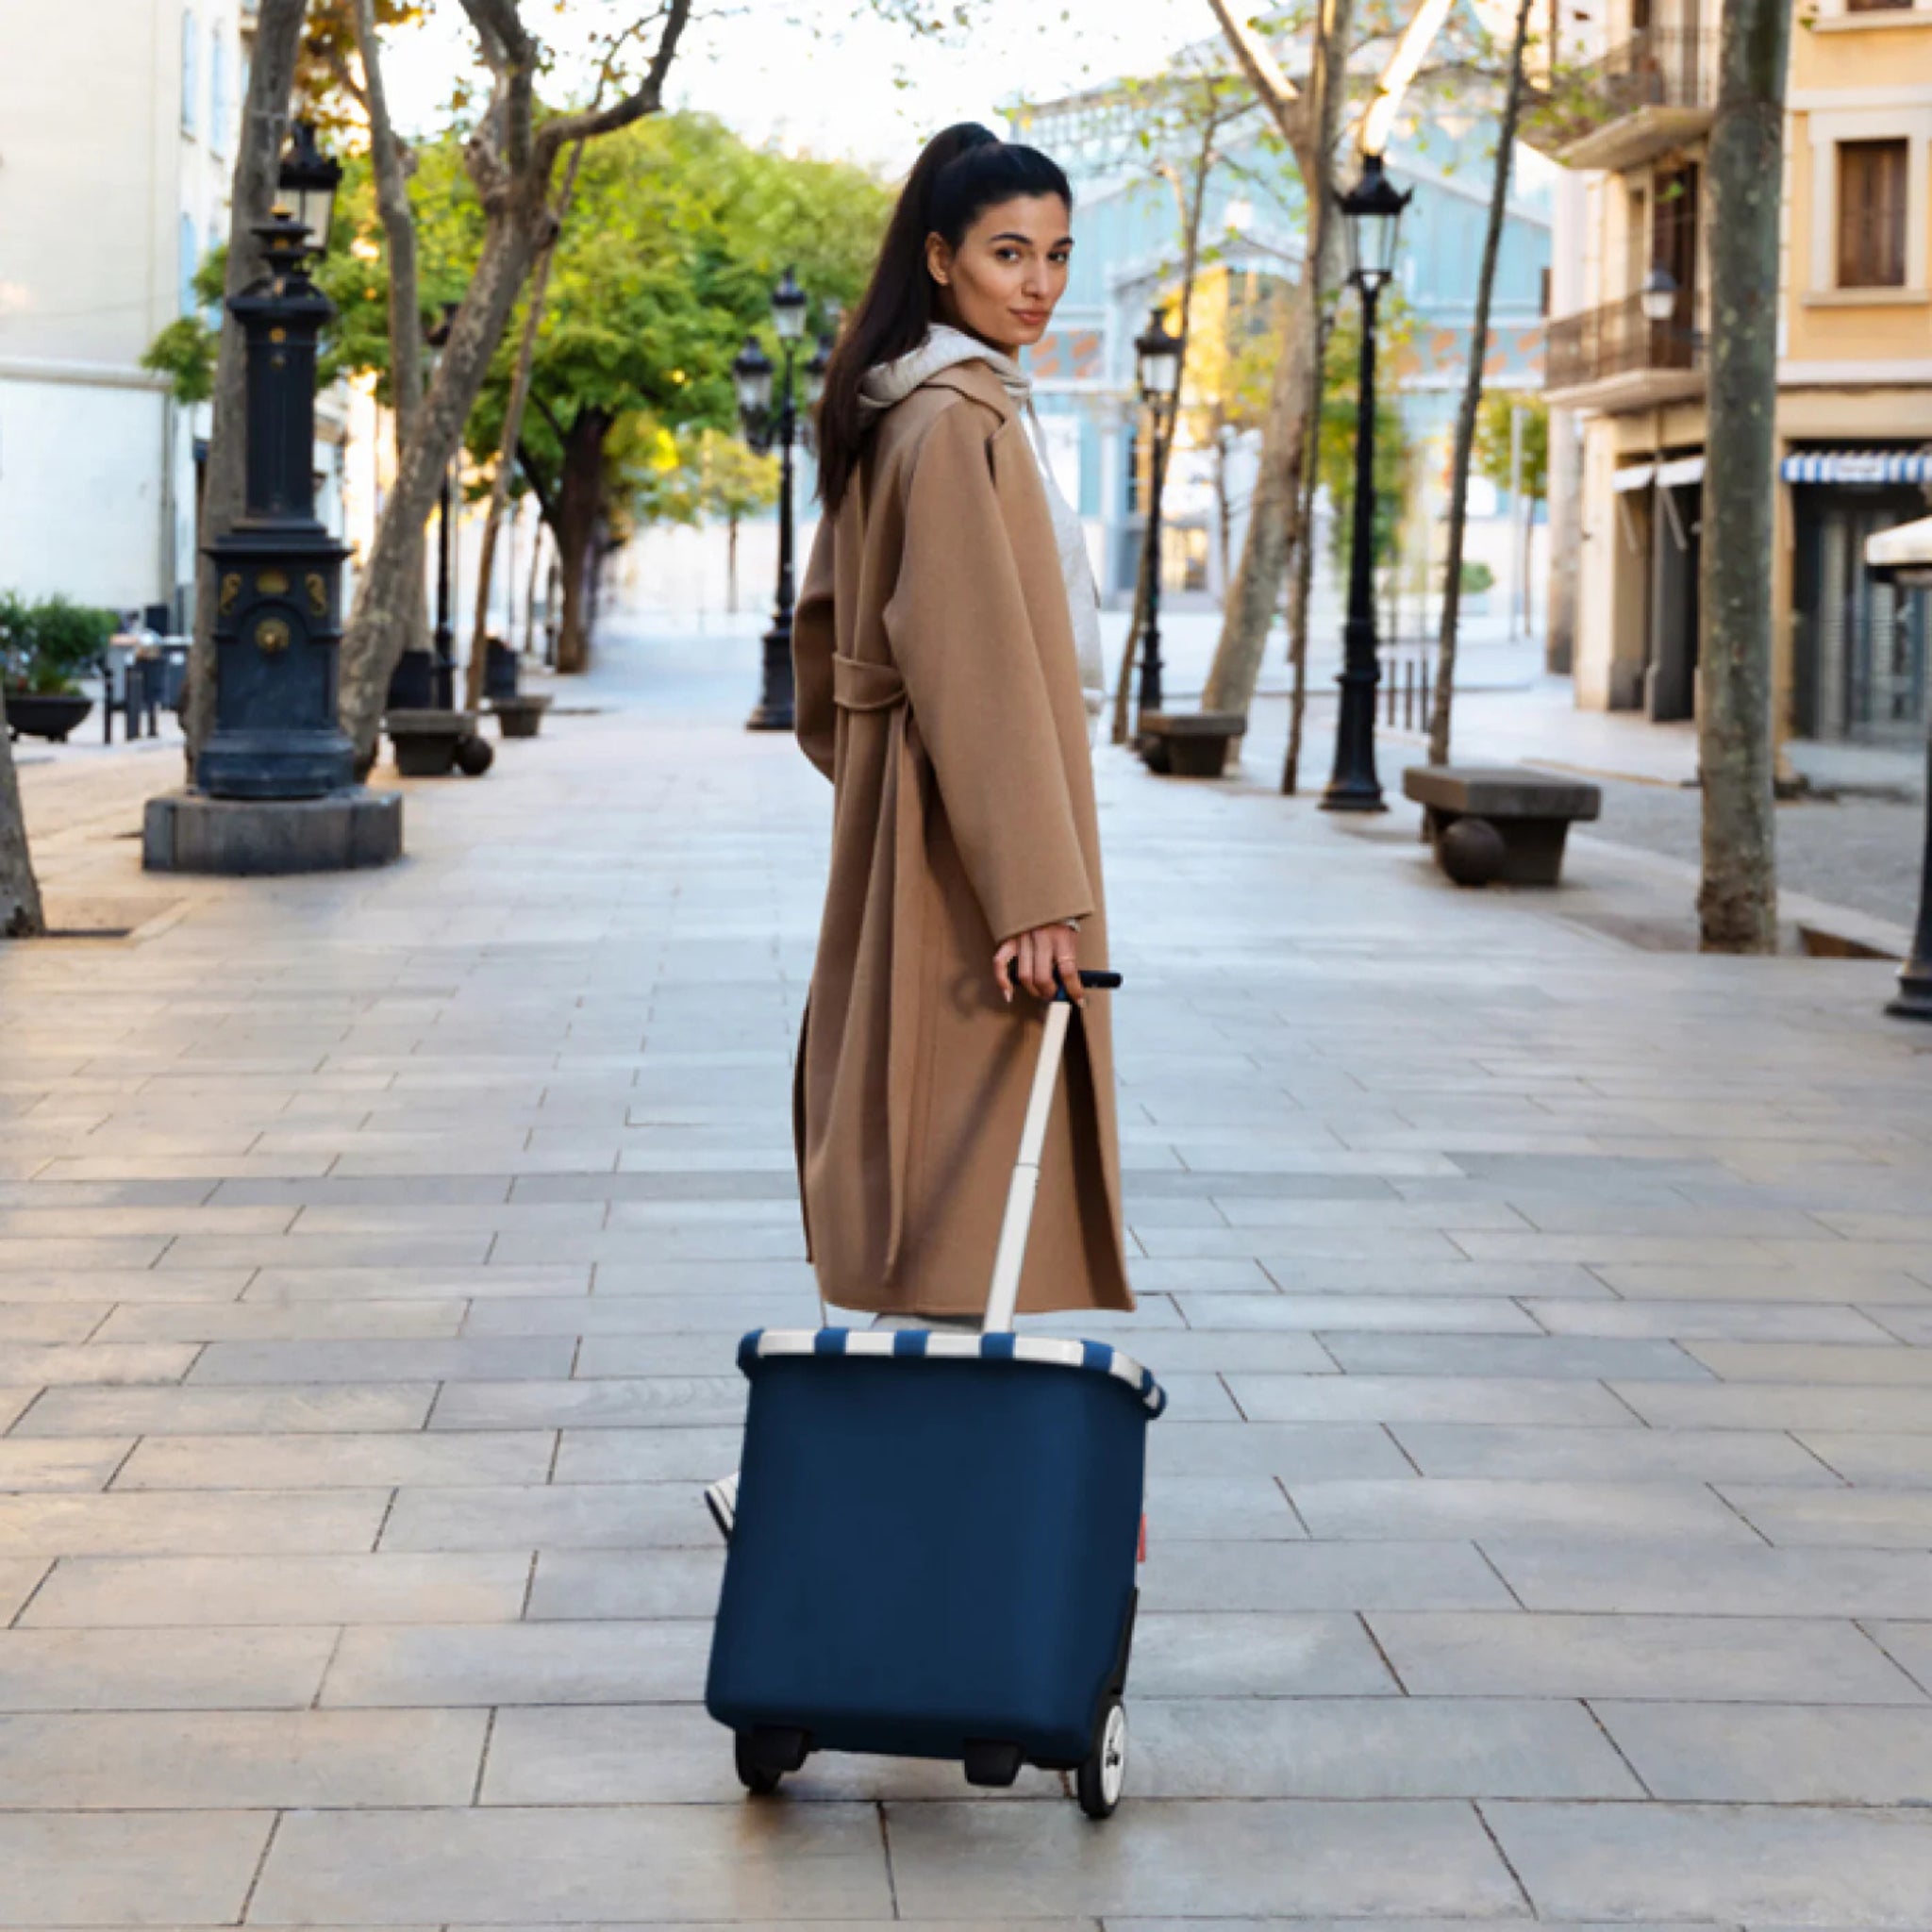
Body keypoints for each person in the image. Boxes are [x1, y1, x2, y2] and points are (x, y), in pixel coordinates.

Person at [705, 124, 1130, 1541]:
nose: (1040, 284)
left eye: (1058, 255)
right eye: (1011, 253)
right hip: (977, 868)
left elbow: (838, 655)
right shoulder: (953, 422)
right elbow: (979, 672)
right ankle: (831, 1498)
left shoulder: (913, 407)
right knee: (957, 1182)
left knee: (937, 1177)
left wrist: (883, 789)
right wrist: (1030, 892)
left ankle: (867, 1496)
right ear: (941, 258)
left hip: (928, 838)